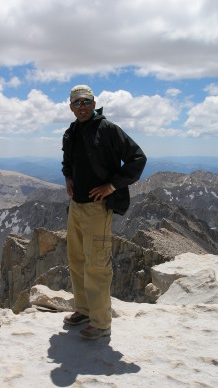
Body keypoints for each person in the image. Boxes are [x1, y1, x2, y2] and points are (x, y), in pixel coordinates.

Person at [62, 85, 147, 340]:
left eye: (86, 102)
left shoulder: (108, 130)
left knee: (97, 265)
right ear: (71, 107)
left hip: (98, 209)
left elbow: (137, 158)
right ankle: (84, 310)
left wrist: (112, 186)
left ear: (94, 102)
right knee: (76, 260)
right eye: (77, 103)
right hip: (76, 206)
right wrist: (67, 176)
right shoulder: (72, 132)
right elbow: (68, 160)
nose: (82, 107)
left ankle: (101, 323)